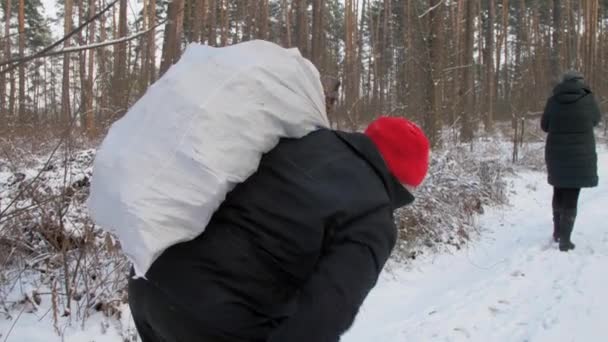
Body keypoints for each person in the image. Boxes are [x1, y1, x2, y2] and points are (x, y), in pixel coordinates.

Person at [128, 115, 430, 342]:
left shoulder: (303, 137)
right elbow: (326, 308)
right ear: (403, 185)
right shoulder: (375, 217)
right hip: (215, 317)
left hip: (152, 274)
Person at [541, 71, 601, 252]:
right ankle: (565, 240)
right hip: (580, 155)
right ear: (581, 82)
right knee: (572, 193)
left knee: (558, 189)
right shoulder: (588, 100)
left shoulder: (553, 100)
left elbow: (544, 126)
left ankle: (557, 232)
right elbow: (596, 120)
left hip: (556, 154)